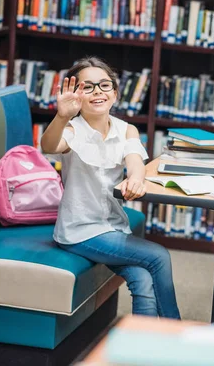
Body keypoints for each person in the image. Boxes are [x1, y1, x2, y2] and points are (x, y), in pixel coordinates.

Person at [40, 56, 181, 319]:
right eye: (87, 87)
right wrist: (60, 116)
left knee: (143, 280)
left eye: (104, 85)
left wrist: (135, 179)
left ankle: (140, 352)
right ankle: (176, 335)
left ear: (115, 94)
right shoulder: (71, 130)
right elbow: (48, 146)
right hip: (80, 232)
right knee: (158, 256)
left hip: (114, 227)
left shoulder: (126, 130)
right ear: (75, 94)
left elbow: (135, 162)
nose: (97, 92)